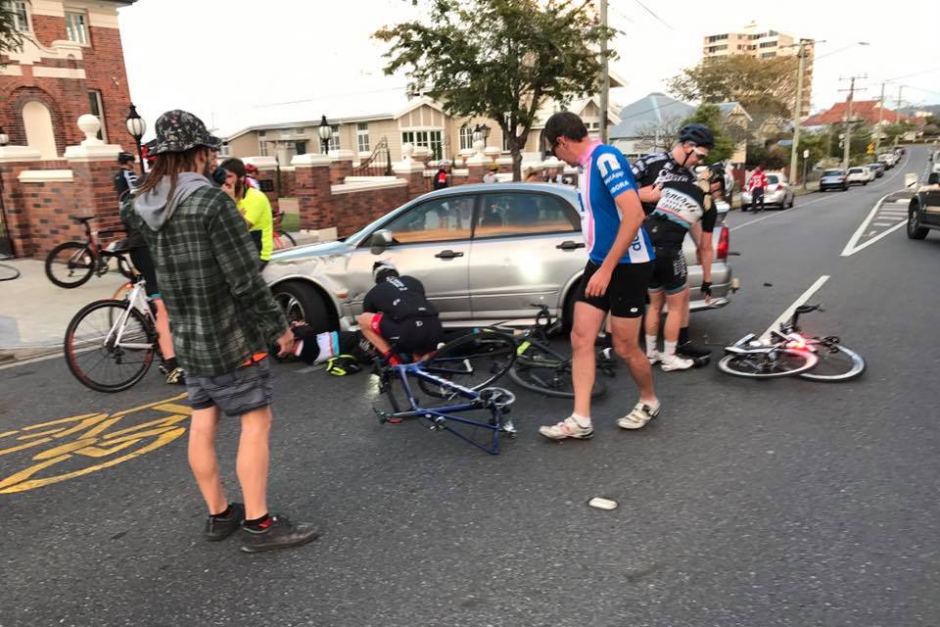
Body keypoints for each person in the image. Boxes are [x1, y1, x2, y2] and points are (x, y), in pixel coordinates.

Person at [123, 109, 317, 553]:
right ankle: (259, 523)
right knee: (255, 421)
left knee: (203, 419)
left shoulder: (143, 204)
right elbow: (245, 279)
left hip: (188, 337)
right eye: (210, 150)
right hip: (231, 335)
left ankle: (219, 513)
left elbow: (128, 211)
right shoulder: (211, 203)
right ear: (198, 152)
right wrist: (280, 327)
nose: (214, 158)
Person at [537, 111, 659, 440]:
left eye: (553, 150)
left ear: (561, 141)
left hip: (628, 264)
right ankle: (580, 419)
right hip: (600, 260)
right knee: (580, 338)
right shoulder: (589, 166)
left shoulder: (606, 158)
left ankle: (649, 399)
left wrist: (606, 270)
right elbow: (625, 200)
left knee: (624, 346)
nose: (557, 158)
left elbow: (633, 216)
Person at [631, 124, 719, 364]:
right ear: (687, 147)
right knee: (652, 299)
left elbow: (697, 225)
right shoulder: (651, 161)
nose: (699, 162)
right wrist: (646, 195)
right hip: (639, 238)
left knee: (671, 297)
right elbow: (622, 190)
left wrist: (704, 252)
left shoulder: (690, 178)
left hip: (668, 243)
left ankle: (681, 342)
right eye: (699, 155)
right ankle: (660, 353)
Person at [115, 152, 184, 385]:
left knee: (160, 305)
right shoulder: (157, 189)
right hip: (147, 250)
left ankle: (166, 350)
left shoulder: (144, 186)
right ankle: (172, 366)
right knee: (163, 308)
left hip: (138, 249)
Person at [643, 164, 717, 371]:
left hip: (648, 247)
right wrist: (707, 280)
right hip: (669, 251)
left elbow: (645, 195)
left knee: (655, 305)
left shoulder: (673, 183)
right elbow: (705, 247)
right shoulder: (709, 206)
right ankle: (669, 357)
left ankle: (650, 353)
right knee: (677, 305)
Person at [355, 261, 443, 365]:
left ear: (376, 279)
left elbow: (371, 324)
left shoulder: (373, 293)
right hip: (435, 328)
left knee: (363, 319)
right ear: (396, 273)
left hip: (409, 332)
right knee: (412, 320)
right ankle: (427, 355)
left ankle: (395, 362)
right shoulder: (413, 281)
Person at [220, 158, 274, 270]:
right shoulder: (224, 197)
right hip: (237, 252)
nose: (225, 181)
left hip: (257, 253)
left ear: (241, 178)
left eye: (229, 176)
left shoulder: (256, 197)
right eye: (223, 176)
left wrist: (231, 204)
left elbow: (241, 228)